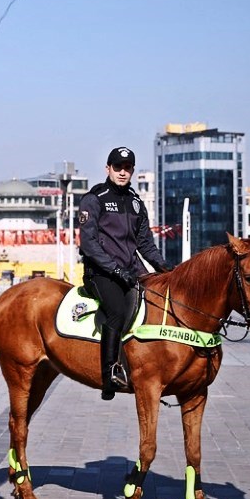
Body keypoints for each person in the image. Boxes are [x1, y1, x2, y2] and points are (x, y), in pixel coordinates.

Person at [78, 146, 172, 400]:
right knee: (117, 312)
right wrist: (116, 269)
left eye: (127, 168)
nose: (122, 172)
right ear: (108, 168)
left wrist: (167, 269)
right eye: (117, 167)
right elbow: (89, 244)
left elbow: (146, 245)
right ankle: (109, 373)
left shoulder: (135, 202)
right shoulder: (94, 198)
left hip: (133, 272)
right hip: (101, 273)